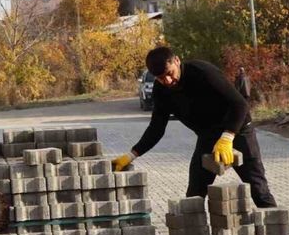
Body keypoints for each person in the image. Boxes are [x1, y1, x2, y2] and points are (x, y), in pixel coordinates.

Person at [112, 46, 277, 208]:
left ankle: (275, 224)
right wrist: (132, 154)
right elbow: (156, 128)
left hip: (238, 130)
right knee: (194, 196)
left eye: (169, 73)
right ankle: (194, 227)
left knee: (259, 190)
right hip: (208, 137)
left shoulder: (203, 72)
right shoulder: (161, 91)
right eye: (161, 78)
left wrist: (227, 137)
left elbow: (240, 104)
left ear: (177, 61)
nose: (167, 81)